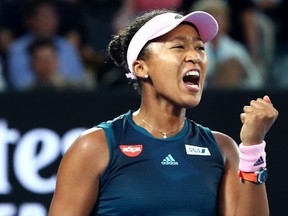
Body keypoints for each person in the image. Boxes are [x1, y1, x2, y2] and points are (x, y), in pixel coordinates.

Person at [48, 9, 278, 215]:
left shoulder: (222, 148)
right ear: (141, 67)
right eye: (179, 46)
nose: (195, 56)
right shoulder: (95, 146)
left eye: (199, 47)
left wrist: (253, 147)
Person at [6, 0, 86, 90]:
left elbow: (79, 81)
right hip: (30, 99)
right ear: (30, 20)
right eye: (43, 16)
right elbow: (19, 84)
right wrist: (45, 82)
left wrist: (60, 82)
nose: (48, 21)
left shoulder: (67, 47)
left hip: (66, 96)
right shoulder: (17, 49)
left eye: (51, 16)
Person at [191, 0, 264, 89]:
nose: (215, 21)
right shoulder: (191, 48)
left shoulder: (236, 49)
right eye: (211, 16)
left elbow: (255, 80)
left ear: (227, 21)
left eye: (219, 16)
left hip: (232, 97)